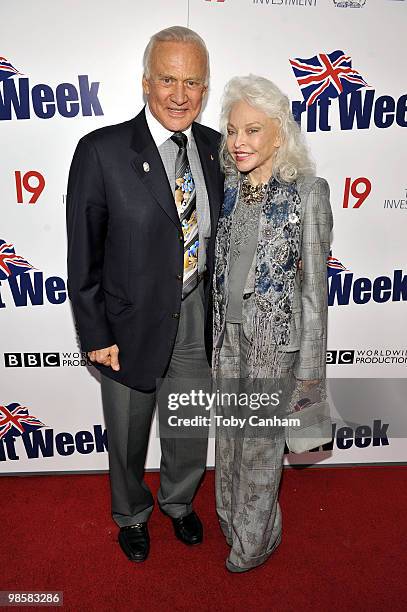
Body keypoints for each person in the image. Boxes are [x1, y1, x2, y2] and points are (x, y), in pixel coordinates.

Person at [66, 26, 223, 562]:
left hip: (196, 311)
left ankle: (179, 503)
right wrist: (95, 332)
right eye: (168, 79)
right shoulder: (102, 151)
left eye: (193, 82)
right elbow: (82, 254)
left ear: (205, 88)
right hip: (127, 323)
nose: (180, 95)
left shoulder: (217, 149)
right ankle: (131, 513)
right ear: (145, 83)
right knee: (129, 435)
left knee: (186, 424)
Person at [212, 75, 333, 572]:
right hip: (227, 338)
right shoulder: (230, 188)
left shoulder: (308, 192)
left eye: (253, 131)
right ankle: (230, 519)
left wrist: (308, 372)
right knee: (230, 440)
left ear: (280, 134)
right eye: (233, 130)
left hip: (273, 346)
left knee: (261, 448)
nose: (239, 143)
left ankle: (254, 542)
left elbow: (314, 292)